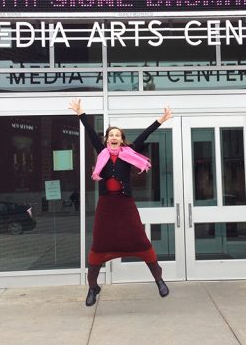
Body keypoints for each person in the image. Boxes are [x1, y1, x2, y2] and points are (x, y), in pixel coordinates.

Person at [69, 98, 172, 306]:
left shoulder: (129, 153)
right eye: (111, 135)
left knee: (140, 240)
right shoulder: (102, 153)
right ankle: (93, 287)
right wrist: (81, 114)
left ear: (122, 140)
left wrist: (160, 120)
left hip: (125, 205)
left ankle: (159, 279)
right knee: (99, 245)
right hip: (106, 207)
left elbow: (145, 135)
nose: (114, 137)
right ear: (106, 140)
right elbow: (90, 133)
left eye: (117, 135)